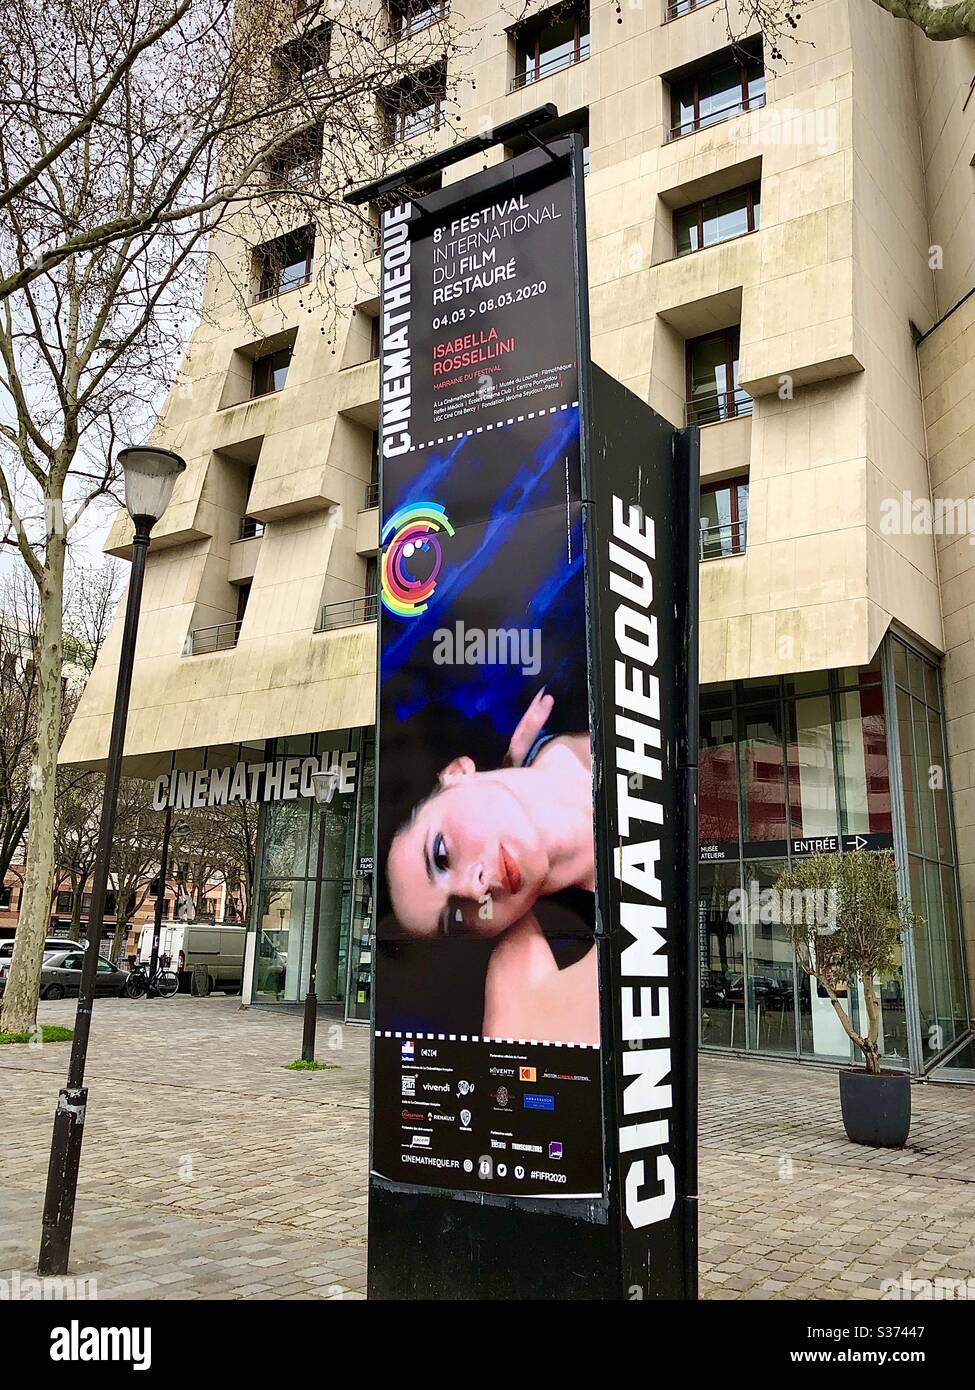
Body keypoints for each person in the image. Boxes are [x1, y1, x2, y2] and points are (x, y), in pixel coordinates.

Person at [386, 688, 599, 1043]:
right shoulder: (528, 982)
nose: (474, 888)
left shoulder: (574, 681)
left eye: (441, 856)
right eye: (456, 918)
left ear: (456, 772)